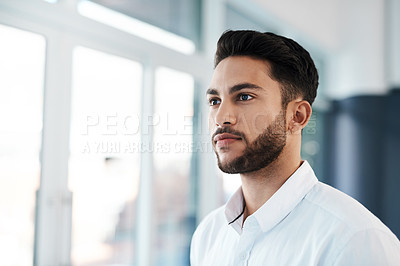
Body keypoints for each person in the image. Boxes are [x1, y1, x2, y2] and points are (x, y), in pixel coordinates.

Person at [190, 30, 400, 265]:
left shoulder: (355, 240)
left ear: (297, 116)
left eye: (245, 96)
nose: (221, 117)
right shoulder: (208, 234)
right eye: (214, 101)